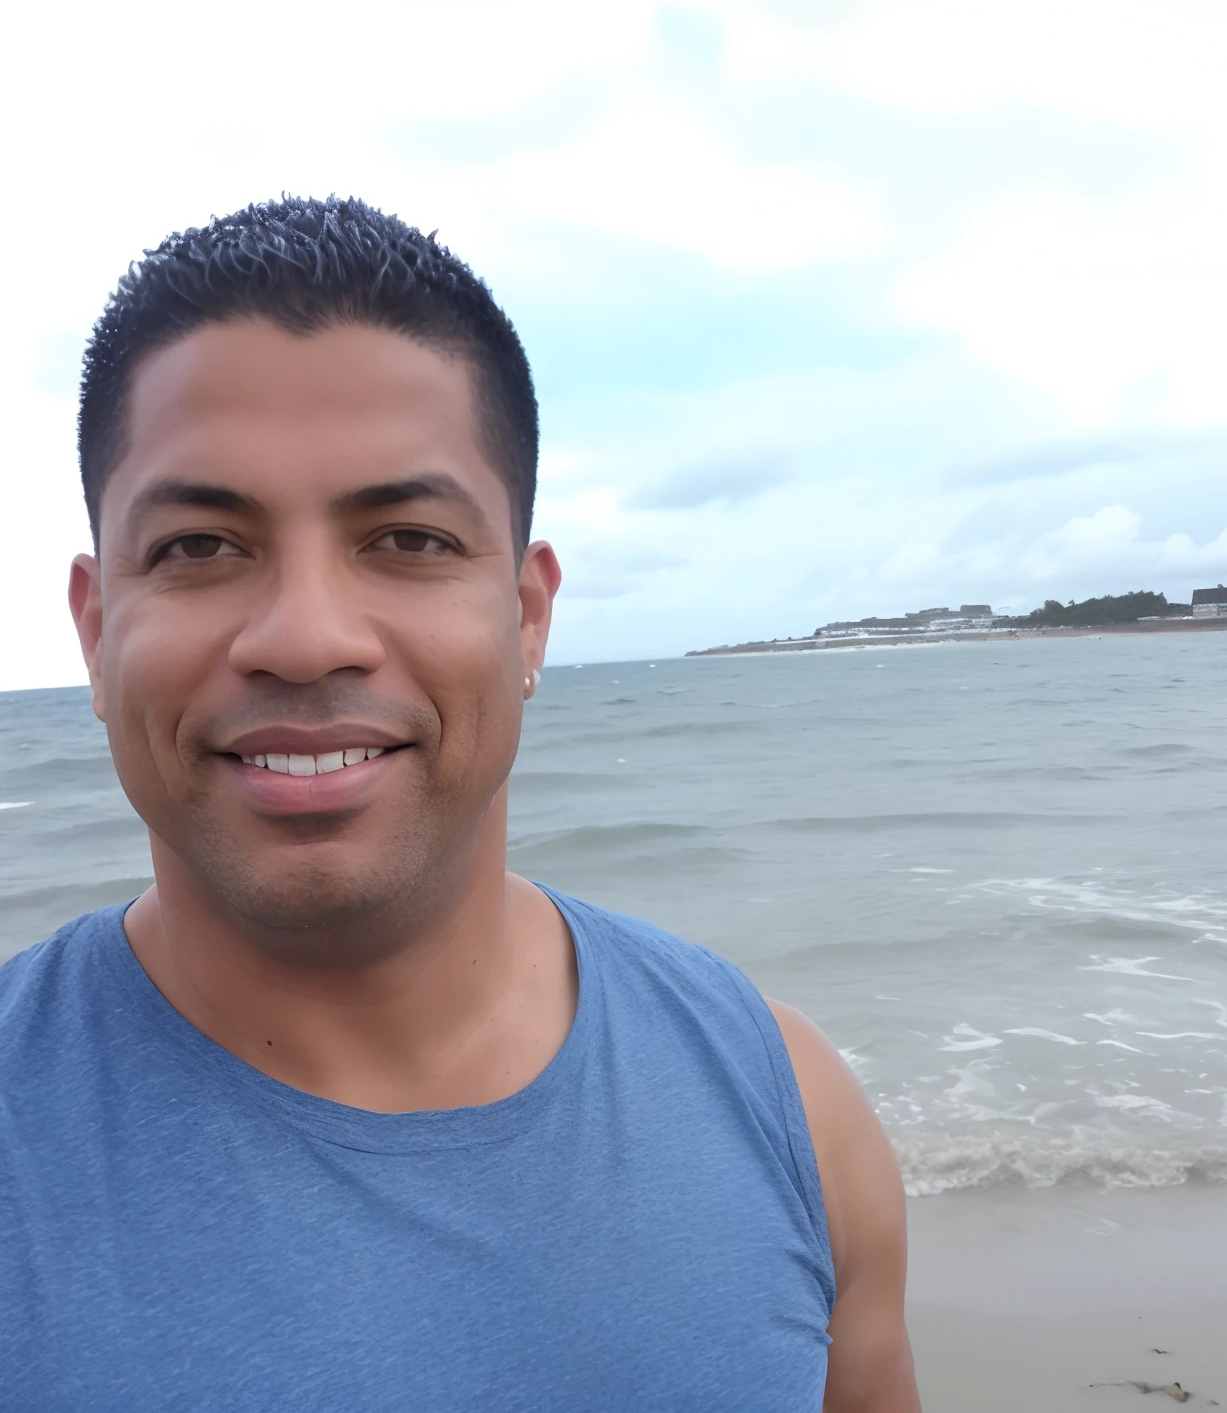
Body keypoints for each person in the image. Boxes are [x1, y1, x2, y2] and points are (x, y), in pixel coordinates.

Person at [0, 198, 919, 1411]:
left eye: (409, 538)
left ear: (526, 617)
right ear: (97, 627)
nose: (305, 635)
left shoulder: (786, 1106)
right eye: (201, 548)